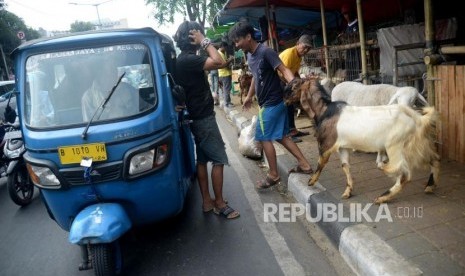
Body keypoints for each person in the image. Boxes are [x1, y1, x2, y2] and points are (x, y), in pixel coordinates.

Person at [228, 21, 313, 189]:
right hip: (268, 102)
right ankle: (305, 165)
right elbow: (255, 77)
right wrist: (249, 96)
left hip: (273, 102)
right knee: (281, 136)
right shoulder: (251, 56)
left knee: (263, 136)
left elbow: (283, 69)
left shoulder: (266, 52)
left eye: (238, 41)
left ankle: (273, 175)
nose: (236, 45)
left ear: (248, 37)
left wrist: (295, 84)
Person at [173, 21, 240, 219]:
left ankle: (207, 202)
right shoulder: (187, 60)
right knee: (218, 159)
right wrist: (205, 42)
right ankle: (219, 203)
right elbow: (218, 61)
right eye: (198, 34)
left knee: (202, 160)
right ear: (193, 37)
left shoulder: (184, 60)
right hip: (203, 118)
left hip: (196, 116)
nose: (201, 36)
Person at [279, 34, 313, 143]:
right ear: (297, 44)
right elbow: (281, 72)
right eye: (304, 47)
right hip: (279, 80)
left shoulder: (298, 56)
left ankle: (293, 130)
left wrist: (300, 80)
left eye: (308, 48)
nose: (306, 50)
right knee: (286, 106)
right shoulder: (290, 54)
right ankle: (288, 133)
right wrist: (292, 86)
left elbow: (294, 71)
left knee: (290, 107)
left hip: (287, 81)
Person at [340, 3, 361, 81]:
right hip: (349, 52)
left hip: (357, 52)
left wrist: (347, 37)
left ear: (352, 13)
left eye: (348, 13)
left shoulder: (358, 23)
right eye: (345, 14)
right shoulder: (347, 26)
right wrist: (343, 37)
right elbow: (346, 39)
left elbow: (358, 37)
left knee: (357, 70)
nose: (347, 16)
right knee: (350, 70)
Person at [218, 41, 234, 107]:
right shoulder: (220, 54)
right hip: (225, 74)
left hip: (224, 73)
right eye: (226, 47)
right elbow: (224, 64)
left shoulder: (221, 53)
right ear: (223, 47)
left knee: (226, 88)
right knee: (226, 89)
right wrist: (230, 59)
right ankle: (227, 103)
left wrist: (228, 59)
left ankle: (228, 101)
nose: (226, 49)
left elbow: (224, 62)